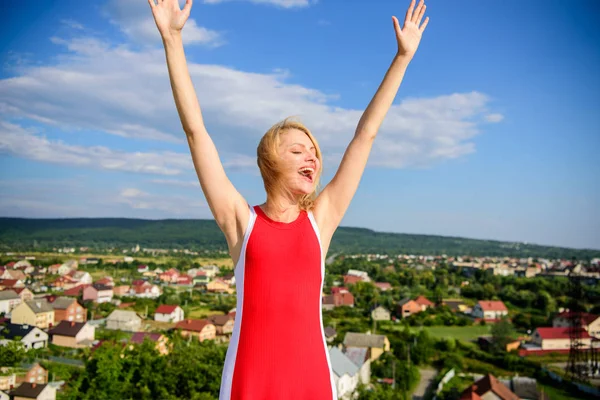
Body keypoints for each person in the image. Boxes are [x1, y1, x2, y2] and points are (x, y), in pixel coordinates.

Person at [148, 0, 429, 398]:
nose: (311, 156)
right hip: (249, 381)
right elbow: (197, 132)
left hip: (311, 380)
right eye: (298, 150)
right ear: (269, 162)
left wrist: (402, 57)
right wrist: (172, 39)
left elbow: (365, 135)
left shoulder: (321, 220)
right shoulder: (241, 222)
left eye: (314, 151)